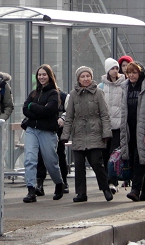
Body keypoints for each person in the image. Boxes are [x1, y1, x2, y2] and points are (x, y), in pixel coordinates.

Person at [62, 66, 114, 202]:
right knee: (79, 165)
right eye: (82, 76)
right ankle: (81, 193)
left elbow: (105, 115)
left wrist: (106, 133)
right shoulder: (73, 94)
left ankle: (105, 189)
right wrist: (65, 135)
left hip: (95, 133)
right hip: (79, 134)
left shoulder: (98, 93)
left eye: (87, 76)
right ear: (78, 79)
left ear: (91, 77)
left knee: (97, 163)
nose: (85, 79)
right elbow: (69, 117)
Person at [21, 65, 65, 203]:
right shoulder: (33, 93)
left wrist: (32, 107)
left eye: (44, 74)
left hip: (47, 131)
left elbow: (49, 111)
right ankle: (31, 190)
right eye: (39, 75)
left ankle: (59, 183)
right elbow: (24, 109)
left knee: (50, 161)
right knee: (29, 159)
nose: (41, 77)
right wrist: (37, 109)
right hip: (31, 130)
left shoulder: (54, 93)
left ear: (49, 76)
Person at [122, 62, 145, 202]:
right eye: (129, 73)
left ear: (140, 73)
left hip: (143, 130)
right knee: (138, 159)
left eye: (134, 73)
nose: (131, 75)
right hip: (130, 130)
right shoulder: (125, 87)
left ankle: (135, 190)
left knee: (139, 159)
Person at [98, 58, 129, 186]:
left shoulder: (124, 84)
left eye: (117, 68)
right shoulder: (101, 86)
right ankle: (107, 180)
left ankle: (113, 182)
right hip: (105, 126)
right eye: (112, 68)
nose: (115, 70)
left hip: (119, 126)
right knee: (104, 155)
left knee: (114, 154)